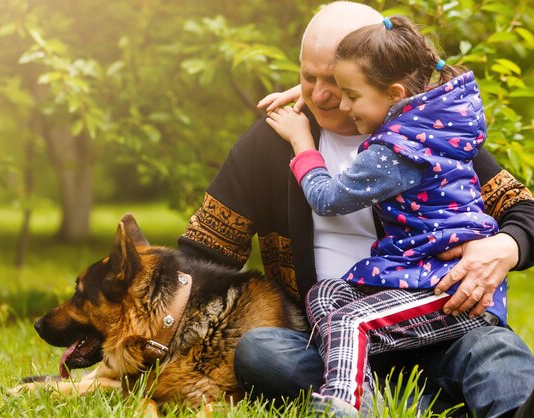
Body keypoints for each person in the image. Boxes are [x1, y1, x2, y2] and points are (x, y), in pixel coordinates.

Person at [177, 2, 534, 416]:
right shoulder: (274, 141)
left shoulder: (425, 136)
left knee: (495, 349)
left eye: (338, 83)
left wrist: (506, 247)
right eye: (309, 78)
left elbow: (525, 211)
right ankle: (406, 407)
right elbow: (201, 255)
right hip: (336, 351)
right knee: (260, 350)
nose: (324, 95)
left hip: (441, 330)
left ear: (386, 83)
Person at [265, 14, 505, 414]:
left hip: (448, 291)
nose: (339, 104)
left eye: (350, 96)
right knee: (324, 297)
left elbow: (326, 198)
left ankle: (343, 403)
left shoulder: (395, 150)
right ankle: (379, 399)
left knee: (351, 321)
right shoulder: (435, 121)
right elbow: (383, 88)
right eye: (321, 84)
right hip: (408, 280)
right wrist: (324, 90)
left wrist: (302, 140)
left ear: (393, 94)